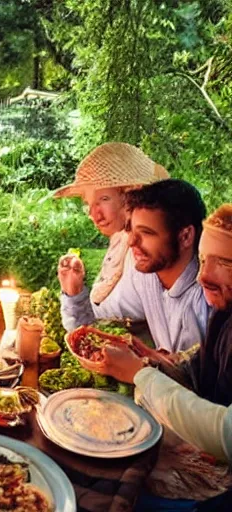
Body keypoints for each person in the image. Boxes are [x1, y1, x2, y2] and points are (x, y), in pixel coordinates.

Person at [83, 204, 232, 510]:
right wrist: (152, 360)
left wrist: (140, 374)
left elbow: (225, 433)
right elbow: (198, 363)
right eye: (204, 260)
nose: (203, 275)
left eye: (225, 264)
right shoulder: (224, 312)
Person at [59, 179, 210, 352]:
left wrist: (141, 365)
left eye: (146, 233)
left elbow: (195, 376)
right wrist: (74, 292)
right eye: (131, 230)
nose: (131, 242)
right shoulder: (146, 275)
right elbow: (94, 323)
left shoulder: (208, 301)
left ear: (185, 237)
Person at [55, 142, 170, 307]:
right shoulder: (118, 241)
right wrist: (74, 292)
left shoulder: (147, 253)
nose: (94, 214)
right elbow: (99, 317)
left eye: (103, 199)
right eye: (89, 203)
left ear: (131, 195)